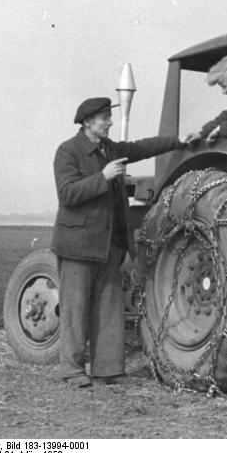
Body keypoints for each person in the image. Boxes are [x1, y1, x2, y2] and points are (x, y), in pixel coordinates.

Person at [51, 97, 188, 388]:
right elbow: (67, 194)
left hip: (109, 245)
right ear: (88, 123)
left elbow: (143, 147)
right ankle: (72, 372)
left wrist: (179, 141)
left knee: (108, 309)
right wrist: (103, 177)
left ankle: (107, 369)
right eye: (104, 118)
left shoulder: (111, 149)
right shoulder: (68, 151)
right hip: (78, 246)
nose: (110, 122)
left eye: (109, 117)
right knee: (75, 311)